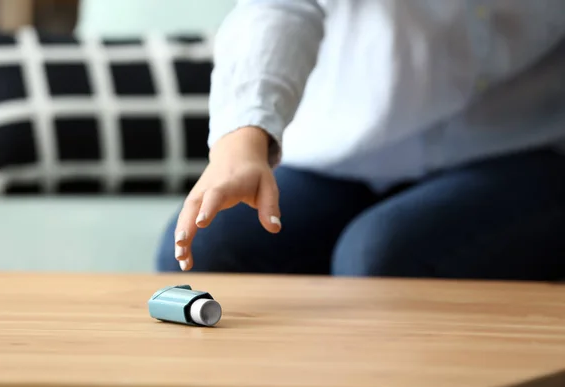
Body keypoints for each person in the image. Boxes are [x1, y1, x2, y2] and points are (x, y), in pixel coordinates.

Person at [157, 0, 565, 281]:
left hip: (518, 144)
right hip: (348, 149)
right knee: (205, 250)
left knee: (380, 260)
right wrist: (242, 141)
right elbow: (283, 7)